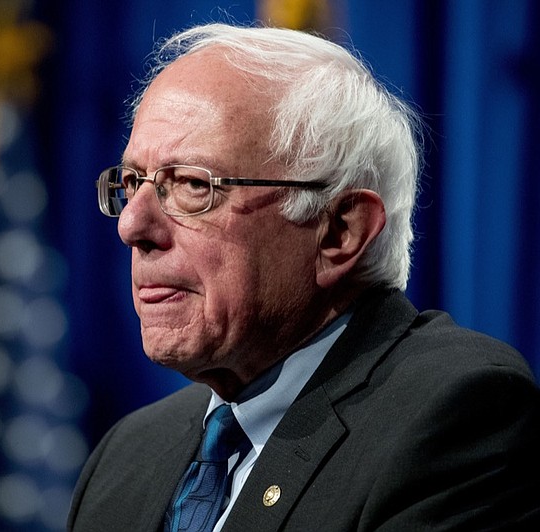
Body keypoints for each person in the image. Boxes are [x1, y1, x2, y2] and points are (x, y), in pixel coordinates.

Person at [68, 22, 540, 531]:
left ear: (339, 231)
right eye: (132, 182)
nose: (132, 225)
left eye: (190, 185)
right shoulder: (126, 456)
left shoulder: (457, 416)